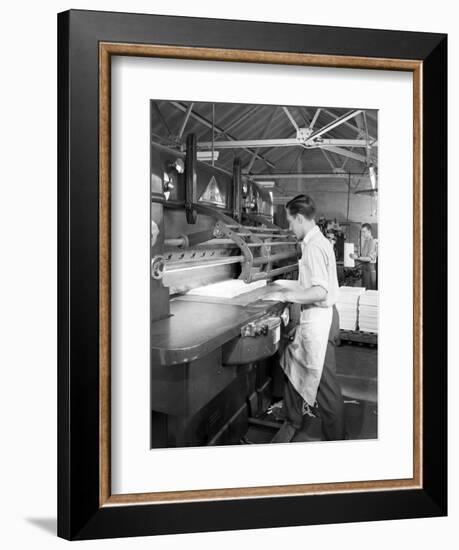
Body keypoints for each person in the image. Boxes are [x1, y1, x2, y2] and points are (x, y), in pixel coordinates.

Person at [262, 194, 345, 442]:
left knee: (325, 385)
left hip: (321, 321)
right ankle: (292, 417)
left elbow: (320, 291)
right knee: (294, 366)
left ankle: (337, 439)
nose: (290, 227)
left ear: (300, 218)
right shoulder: (316, 242)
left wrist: (288, 295)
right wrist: (294, 292)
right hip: (318, 318)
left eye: (290, 222)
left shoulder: (314, 247)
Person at [351, 223, 377, 290]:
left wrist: (357, 257)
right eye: (361, 232)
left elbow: (369, 258)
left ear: (369, 231)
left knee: (369, 292)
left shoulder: (372, 242)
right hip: (365, 269)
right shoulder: (366, 241)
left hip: (370, 269)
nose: (362, 234)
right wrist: (355, 256)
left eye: (364, 232)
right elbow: (363, 256)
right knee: (364, 290)